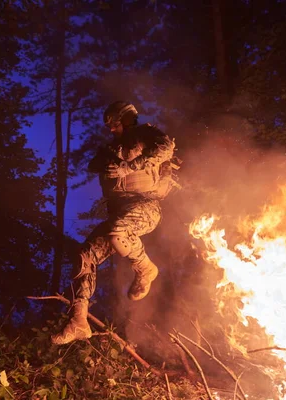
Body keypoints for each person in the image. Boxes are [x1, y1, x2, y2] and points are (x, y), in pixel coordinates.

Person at [51, 101, 178, 345]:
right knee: (85, 255)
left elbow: (165, 149)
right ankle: (78, 320)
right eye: (109, 125)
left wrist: (128, 167)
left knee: (119, 232)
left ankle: (146, 269)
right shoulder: (111, 147)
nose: (111, 129)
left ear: (128, 119)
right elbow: (93, 163)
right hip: (118, 213)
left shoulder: (146, 135)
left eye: (115, 123)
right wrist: (111, 162)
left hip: (146, 207)